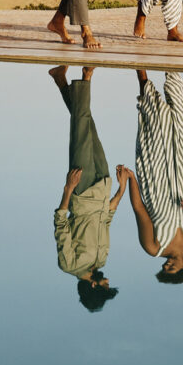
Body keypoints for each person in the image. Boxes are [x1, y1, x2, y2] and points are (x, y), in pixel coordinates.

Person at [48, 65, 127, 311]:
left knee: (81, 126)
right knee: (88, 128)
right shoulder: (102, 259)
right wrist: (121, 190)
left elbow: (61, 224)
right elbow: (106, 219)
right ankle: (60, 79)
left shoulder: (69, 265)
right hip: (102, 187)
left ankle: (86, 76)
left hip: (81, 190)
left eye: (105, 285)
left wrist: (68, 188)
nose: (107, 281)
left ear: (93, 287)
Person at [124, 70, 183, 283]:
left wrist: (131, 179)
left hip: (156, 173)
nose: (166, 265)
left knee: (154, 116)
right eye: (170, 269)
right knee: (182, 113)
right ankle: (171, 65)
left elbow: (139, 209)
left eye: (164, 269)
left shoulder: (153, 248)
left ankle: (141, 67)